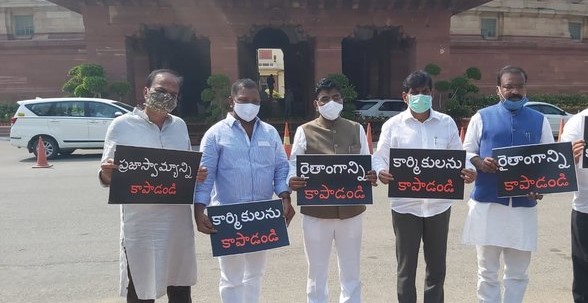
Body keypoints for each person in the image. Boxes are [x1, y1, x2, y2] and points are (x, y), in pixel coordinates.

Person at [99, 69, 207, 303]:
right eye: (161, 90)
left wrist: (195, 174)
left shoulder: (179, 126)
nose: (167, 96)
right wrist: (107, 173)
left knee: (179, 285)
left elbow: (185, 168)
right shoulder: (121, 125)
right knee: (141, 287)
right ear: (146, 91)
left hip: (176, 222)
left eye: (173, 93)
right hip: (141, 225)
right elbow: (106, 175)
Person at [372, 70, 477, 303]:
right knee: (406, 268)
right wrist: (381, 172)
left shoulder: (446, 123)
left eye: (425, 92)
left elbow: (459, 155)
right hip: (405, 206)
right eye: (415, 92)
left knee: (437, 267)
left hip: (439, 205)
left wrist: (469, 170)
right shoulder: (393, 125)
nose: (421, 96)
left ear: (432, 93)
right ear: (405, 96)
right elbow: (379, 157)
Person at [193, 78, 295, 303]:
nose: (250, 105)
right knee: (231, 277)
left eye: (255, 101)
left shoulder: (269, 133)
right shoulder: (215, 134)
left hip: (262, 216)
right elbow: (204, 176)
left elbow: (280, 168)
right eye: (243, 100)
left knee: (255, 275)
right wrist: (199, 210)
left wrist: (285, 196)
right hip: (228, 218)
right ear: (232, 101)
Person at [461, 65, 553, 303]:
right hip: (487, 205)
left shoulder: (539, 120)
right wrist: (479, 163)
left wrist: (541, 186)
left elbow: (549, 160)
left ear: (526, 88)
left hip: (523, 207)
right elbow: (467, 150)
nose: (514, 91)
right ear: (498, 90)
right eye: (508, 86)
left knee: (518, 273)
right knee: (487, 271)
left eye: (519, 86)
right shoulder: (481, 117)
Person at [288, 78, 378, 303]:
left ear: (342, 100)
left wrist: (372, 173)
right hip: (316, 212)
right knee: (316, 273)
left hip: (351, 211)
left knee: (351, 271)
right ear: (315, 104)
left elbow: (368, 161)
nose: (331, 102)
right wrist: (292, 179)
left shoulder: (356, 129)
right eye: (325, 99)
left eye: (336, 97)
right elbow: (292, 164)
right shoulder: (304, 131)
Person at [560, 108, 588, 303]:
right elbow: (559, 166)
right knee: (584, 268)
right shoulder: (578, 122)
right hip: (585, 208)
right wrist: (570, 157)